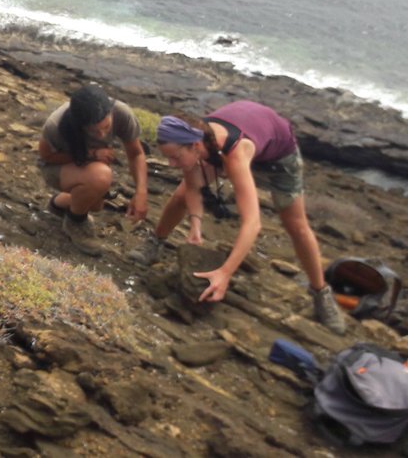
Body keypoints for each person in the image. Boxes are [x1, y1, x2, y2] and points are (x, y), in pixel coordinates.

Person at [129, 101, 347, 334]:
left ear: (194, 146)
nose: (171, 164)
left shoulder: (235, 152)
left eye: (175, 157)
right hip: (232, 139)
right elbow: (193, 188)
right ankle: (155, 242)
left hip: (279, 154)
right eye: (168, 158)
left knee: (296, 224)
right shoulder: (195, 140)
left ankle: (321, 292)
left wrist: (224, 273)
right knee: (180, 195)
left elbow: (252, 223)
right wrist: (195, 226)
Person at [37, 84, 148, 256]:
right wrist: (91, 155)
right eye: (94, 131)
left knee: (96, 205)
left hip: (87, 167)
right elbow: (46, 157)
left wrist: (141, 192)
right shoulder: (57, 123)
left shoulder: (121, 113)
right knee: (101, 177)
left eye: (106, 127)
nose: (102, 135)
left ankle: (58, 204)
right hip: (56, 168)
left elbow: (136, 154)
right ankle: (75, 223)